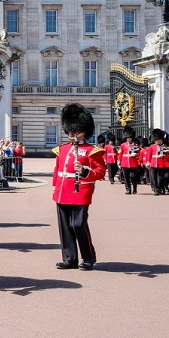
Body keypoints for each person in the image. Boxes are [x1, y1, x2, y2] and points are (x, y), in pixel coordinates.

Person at [52, 103, 105, 270]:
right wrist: (54, 188)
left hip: (80, 191)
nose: (72, 134)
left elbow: (100, 171)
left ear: (83, 131)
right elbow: (57, 170)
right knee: (65, 227)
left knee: (78, 224)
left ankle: (88, 257)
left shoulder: (92, 150)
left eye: (75, 131)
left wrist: (84, 171)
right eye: (70, 131)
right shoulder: (62, 149)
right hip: (62, 191)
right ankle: (70, 258)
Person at [118, 126, 139, 195]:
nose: (129, 139)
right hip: (124, 163)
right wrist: (119, 161)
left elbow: (139, 153)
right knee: (126, 177)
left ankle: (134, 188)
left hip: (133, 163)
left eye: (130, 138)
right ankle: (128, 189)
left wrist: (135, 154)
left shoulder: (135, 145)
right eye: (127, 138)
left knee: (132, 177)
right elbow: (120, 154)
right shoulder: (123, 145)